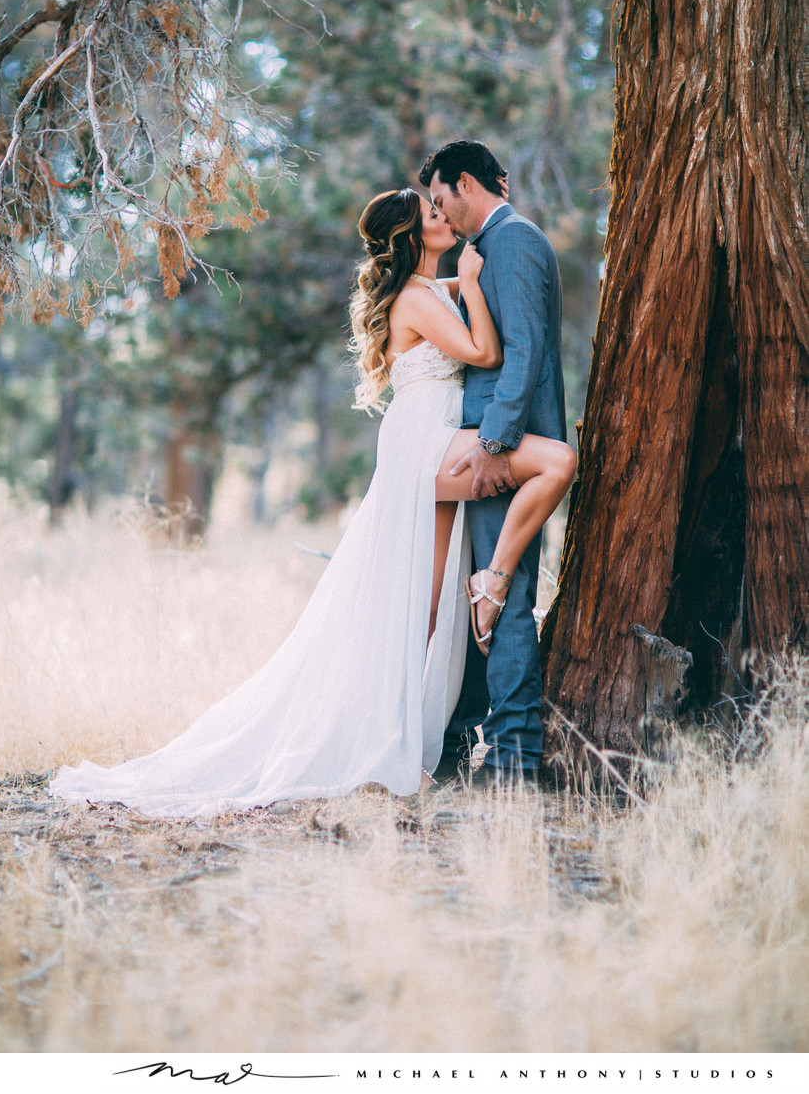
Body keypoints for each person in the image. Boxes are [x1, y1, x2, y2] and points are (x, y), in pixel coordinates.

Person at [50, 184, 573, 818]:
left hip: (431, 436)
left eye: (442, 207)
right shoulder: (418, 295)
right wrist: (468, 272)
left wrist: (468, 280)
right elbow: (486, 352)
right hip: (425, 442)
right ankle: (490, 588)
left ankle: (399, 728)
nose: (444, 216)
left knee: (427, 605)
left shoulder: (433, 291)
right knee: (550, 466)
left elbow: (476, 307)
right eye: (431, 214)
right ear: (412, 237)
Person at [419, 139, 568, 788]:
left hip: (502, 450)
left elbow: (524, 348)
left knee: (499, 596)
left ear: (462, 184)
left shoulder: (512, 241)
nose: (438, 210)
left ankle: (513, 757)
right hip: (498, 445)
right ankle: (464, 739)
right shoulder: (493, 247)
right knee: (484, 590)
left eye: (438, 196)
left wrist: (492, 441)